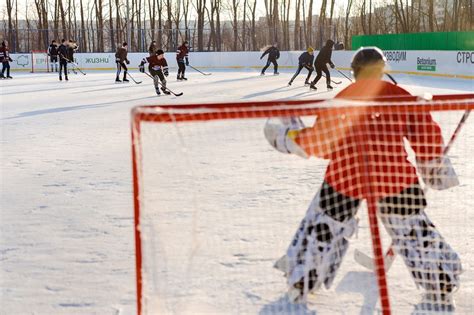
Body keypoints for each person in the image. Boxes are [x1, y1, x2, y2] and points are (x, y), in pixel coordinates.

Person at [265, 47, 462, 312]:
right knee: (416, 232)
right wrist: (433, 162)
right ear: (382, 70)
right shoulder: (400, 97)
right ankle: (441, 280)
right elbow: (427, 140)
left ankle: (303, 278)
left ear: (356, 71)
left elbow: (321, 143)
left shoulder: (344, 99)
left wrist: (290, 137)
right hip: (395, 179)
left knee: (322, 229)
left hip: (347, 177)